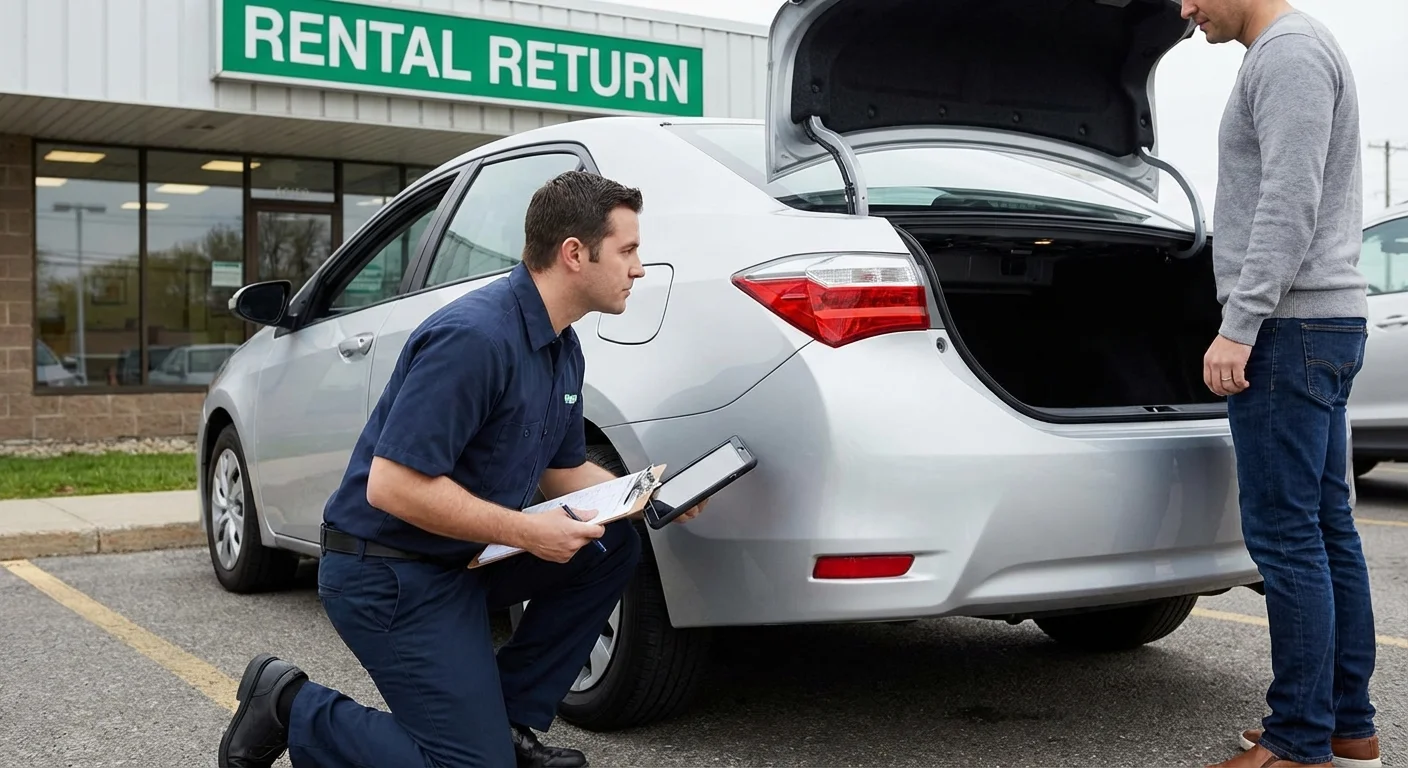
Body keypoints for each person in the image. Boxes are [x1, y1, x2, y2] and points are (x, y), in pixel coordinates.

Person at [217, 170, 709, 768]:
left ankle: (507, 725)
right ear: (575, 254)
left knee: (612, 548)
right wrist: (529, 533)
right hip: (387, 575)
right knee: (468, 767)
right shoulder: (473, 339)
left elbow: (562, 470)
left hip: (460, 561)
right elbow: (391, 485)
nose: (638, 267)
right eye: (628, 250)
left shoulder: (561, 345)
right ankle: (291, 705)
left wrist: (650, 494)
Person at [1181, 2, 1382, 767]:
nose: (1184, 10)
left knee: (1287, 537)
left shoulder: (1288, 55)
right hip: (1317, 325)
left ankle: (1299, 740)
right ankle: (1345, 723)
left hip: (1291, 327)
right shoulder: (1290, 51)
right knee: (1326, 529)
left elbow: (1288, 204)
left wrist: (1241, 322)